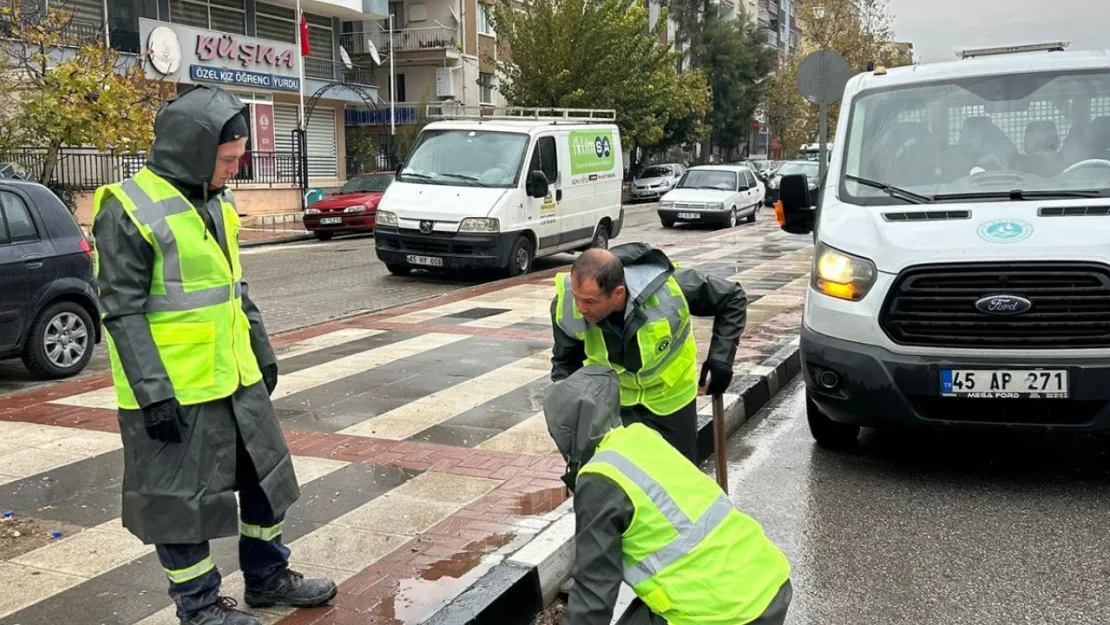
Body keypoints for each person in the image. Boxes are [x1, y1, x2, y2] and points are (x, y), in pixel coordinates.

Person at [91, 85, 336, 625]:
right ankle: (199, 609)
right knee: (180, 507)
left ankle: (268, 578)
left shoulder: (215, 202)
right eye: (228, 159)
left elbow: (233, 289)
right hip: (174, 390)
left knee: (268, 480)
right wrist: (153, 393)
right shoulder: (128, 210)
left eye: (238, 157)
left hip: (235, 378)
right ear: (193, 152)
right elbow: (122, 312)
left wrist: (262, 349)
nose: (236, 167)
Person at [544, 365, 793, 625]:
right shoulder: (640, 438)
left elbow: (593, 594)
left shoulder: (599, 480)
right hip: (768, 583)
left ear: (567, 436)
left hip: (729, 613)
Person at [550, 243, 747, 462]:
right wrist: (568, 414)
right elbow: (566, 363)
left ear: (618, 294)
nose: (580, 308)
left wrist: (721, 358)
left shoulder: (670, 289)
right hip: (616, 403)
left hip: (670, 399)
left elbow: (732, 298)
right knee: (622, 482)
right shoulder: (567, 305)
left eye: (589, 301)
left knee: (675, 478)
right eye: (576, 297)